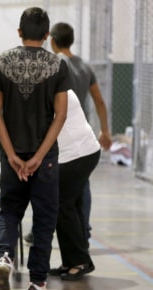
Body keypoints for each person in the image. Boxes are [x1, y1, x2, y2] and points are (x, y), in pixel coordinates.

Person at [0, 7, 70, 290]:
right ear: (48, 35)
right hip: (45, 157)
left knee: (10, 210)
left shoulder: (1, 62)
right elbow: (60, 115)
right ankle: (37, 284)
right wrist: (39, 155)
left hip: (11, 154)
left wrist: (12, 155)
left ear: (19, 32)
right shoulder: (58, 66)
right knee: (45, 218)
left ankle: (5, 257)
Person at [25, 21, 114, 246]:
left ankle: (45, 231)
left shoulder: (57, 65)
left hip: (62, 132)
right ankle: (83, 229)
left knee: (54, 186)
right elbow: (99, 100)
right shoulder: (85, 66)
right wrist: (105, 130)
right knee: (81, 184)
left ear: (52, 40)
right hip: (81, 131)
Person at [50, 90, 101, 280]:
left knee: (62, 205)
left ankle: (78, 262)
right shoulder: (57, 87)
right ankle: (74, 261)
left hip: (78, 154)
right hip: (80, 152)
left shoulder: (57, 91)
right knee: (69, 205)